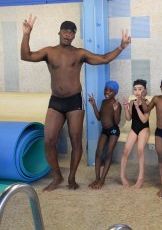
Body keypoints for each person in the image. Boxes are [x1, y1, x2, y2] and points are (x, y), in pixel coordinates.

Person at [20, 14, 131, 191]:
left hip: (74, 102)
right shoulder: (49, 51)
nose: (67, 34)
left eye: (71, 32)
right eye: (65, 30)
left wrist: (121, 46)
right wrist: (27, 33)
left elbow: (103, 59)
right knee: (48, 140)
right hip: (56, 101)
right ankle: (57, 176)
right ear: (59, 32)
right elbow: (26, 56)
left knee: (76, 141)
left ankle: (71, 177)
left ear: (73, 36)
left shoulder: (79, 53)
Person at [87, 81, 122, 189]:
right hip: (105, 130)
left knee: (108, 154)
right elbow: (99, 118)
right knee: (98, 153)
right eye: (106, 89)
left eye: (110, 90)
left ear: (115, 92)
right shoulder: (103, 102)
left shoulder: (117, 104)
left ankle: (102, 180)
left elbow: (116, 122)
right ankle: (97, 178)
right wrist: (93, 105)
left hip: (113, 131)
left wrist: (116, 111)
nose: (107, 92)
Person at [120, 79, 150, 188]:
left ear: (145, 90)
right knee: (125, 151)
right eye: (135, 89)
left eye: (140, 89)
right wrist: (125, 107)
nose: (137, 91)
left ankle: (140, 178)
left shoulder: (147, 103)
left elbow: (144, 120)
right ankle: (122, 176)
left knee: (140, 151)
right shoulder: (132, 102)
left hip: (144, 128)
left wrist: (138, 107)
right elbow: (128, 119)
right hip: (134, 128)